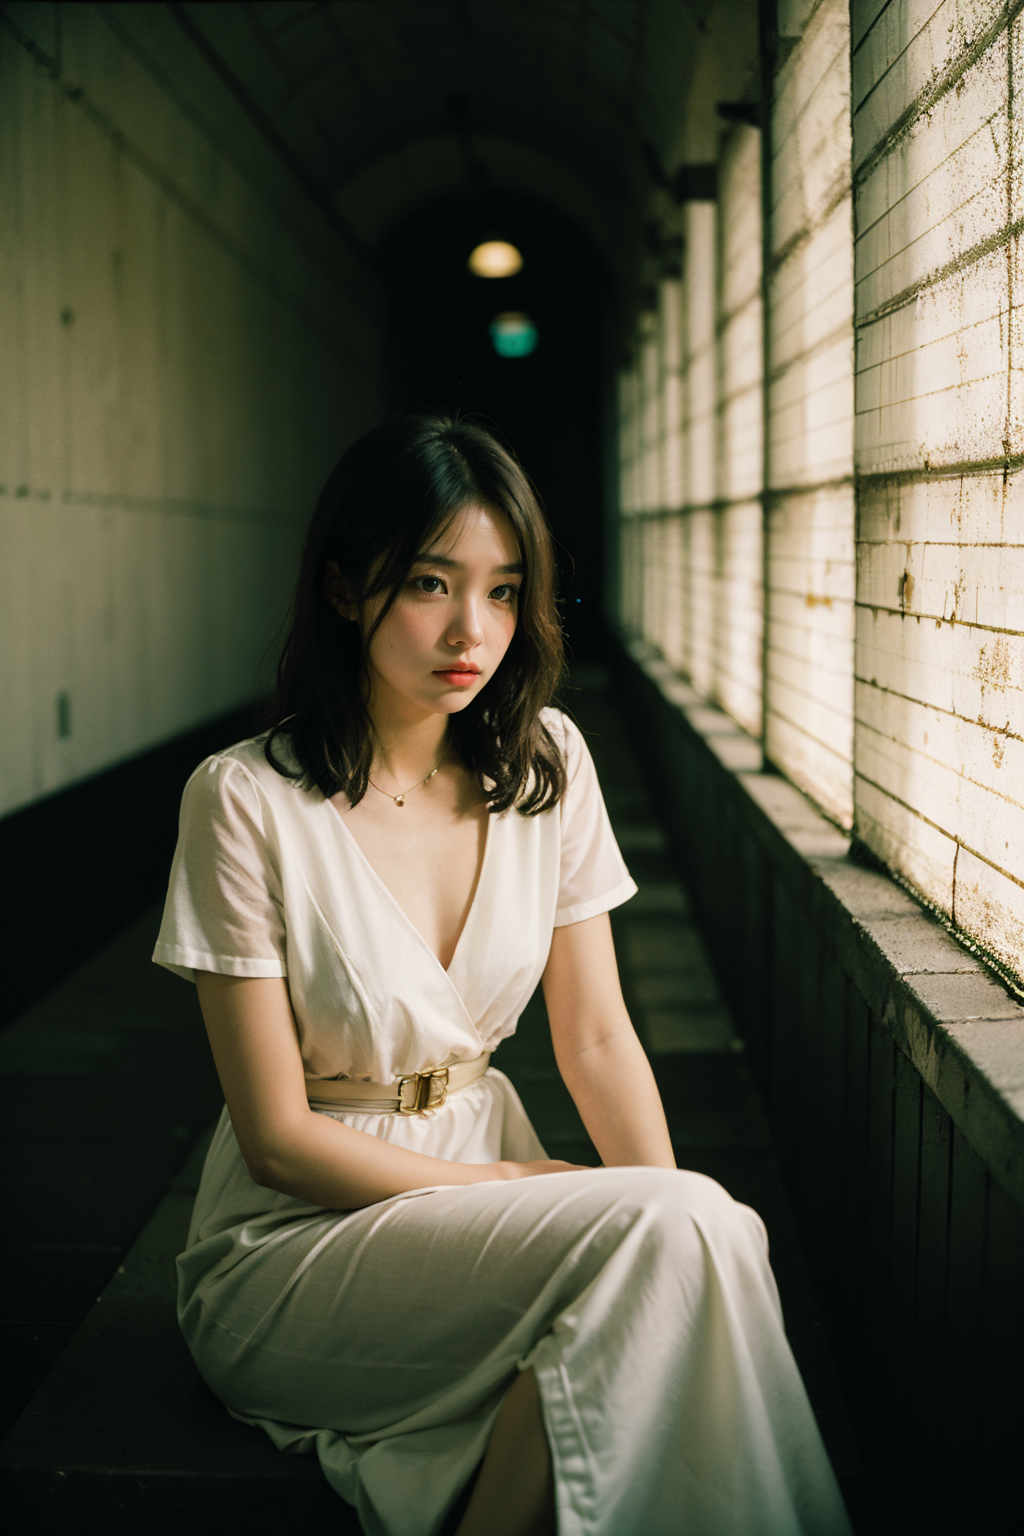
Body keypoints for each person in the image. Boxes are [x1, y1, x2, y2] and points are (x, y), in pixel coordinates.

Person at [153, 412, 852, 1536]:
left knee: (700, 1239)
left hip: (491, 1191)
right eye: (430, 584)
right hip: (292, 1249)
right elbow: (277, 1140)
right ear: (344, 590)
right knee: (668, 1242)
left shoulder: (549, 766)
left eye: (503, 589)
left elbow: (596, 1039)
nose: (470, 630)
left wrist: (665, 1218)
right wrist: (530, 1196)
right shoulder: (242, 800)